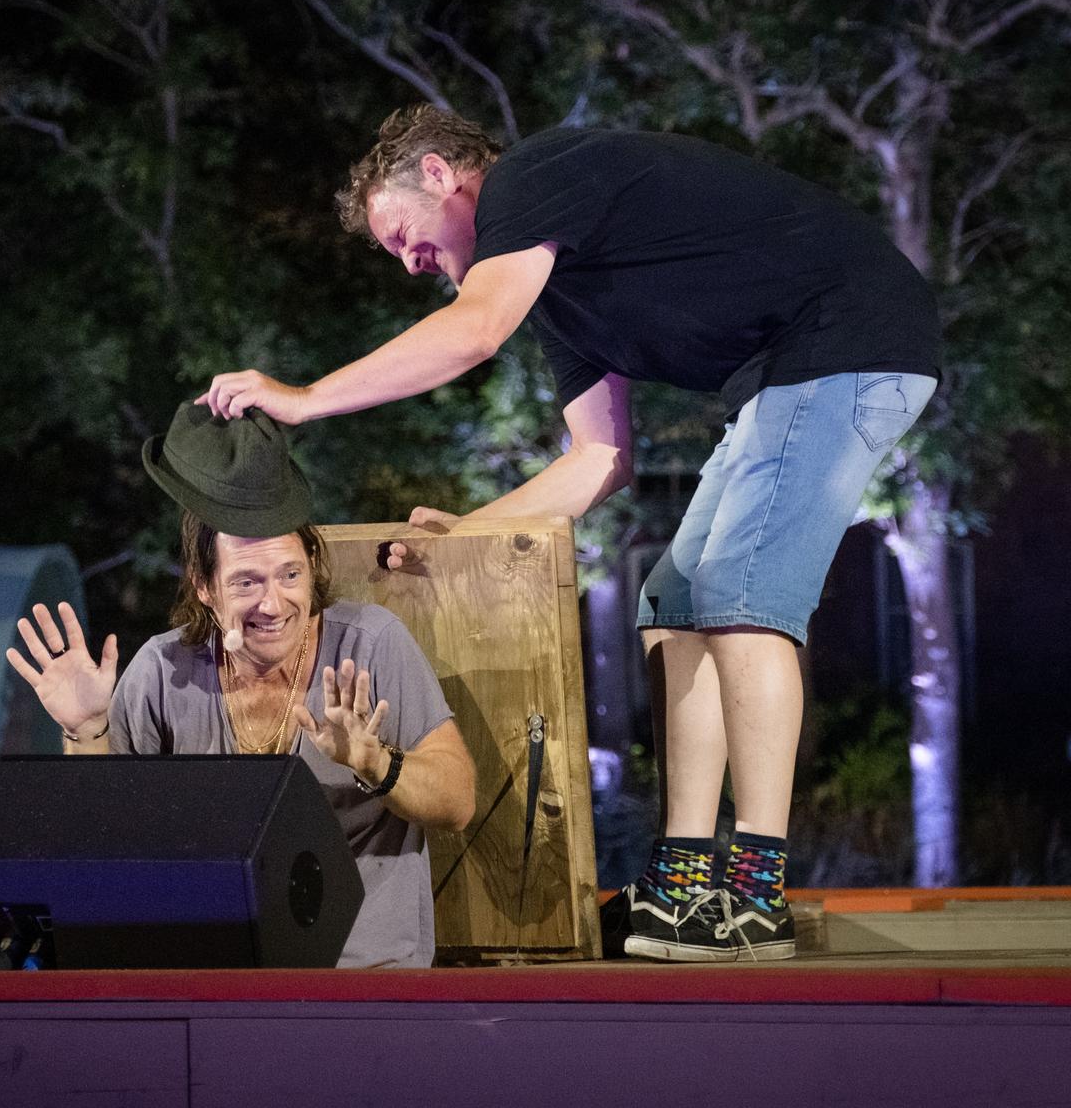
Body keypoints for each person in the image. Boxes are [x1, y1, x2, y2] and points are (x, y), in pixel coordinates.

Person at [196, 106, 942, 962]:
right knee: (675, 598)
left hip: (851, 336)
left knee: (740, 596)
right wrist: (467, 535)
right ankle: (685, 883)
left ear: (442, 174)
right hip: (785, 373)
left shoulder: (534, 175)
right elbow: (599, 457)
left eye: (404, 234)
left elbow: (473, 333)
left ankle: (757, 893)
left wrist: (304, 398)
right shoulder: (558, 295)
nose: (410, 262)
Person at [5, 404, 476, 968]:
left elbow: (457, 801)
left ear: (311, 566)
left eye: (290, 575)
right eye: (247, 581)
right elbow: (103, 850)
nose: (273, 604)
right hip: (211, 977)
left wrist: (376, 762)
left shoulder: (370, 643)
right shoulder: (161, 670)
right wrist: (86, 730)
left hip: (362, 976)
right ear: (205, 586)